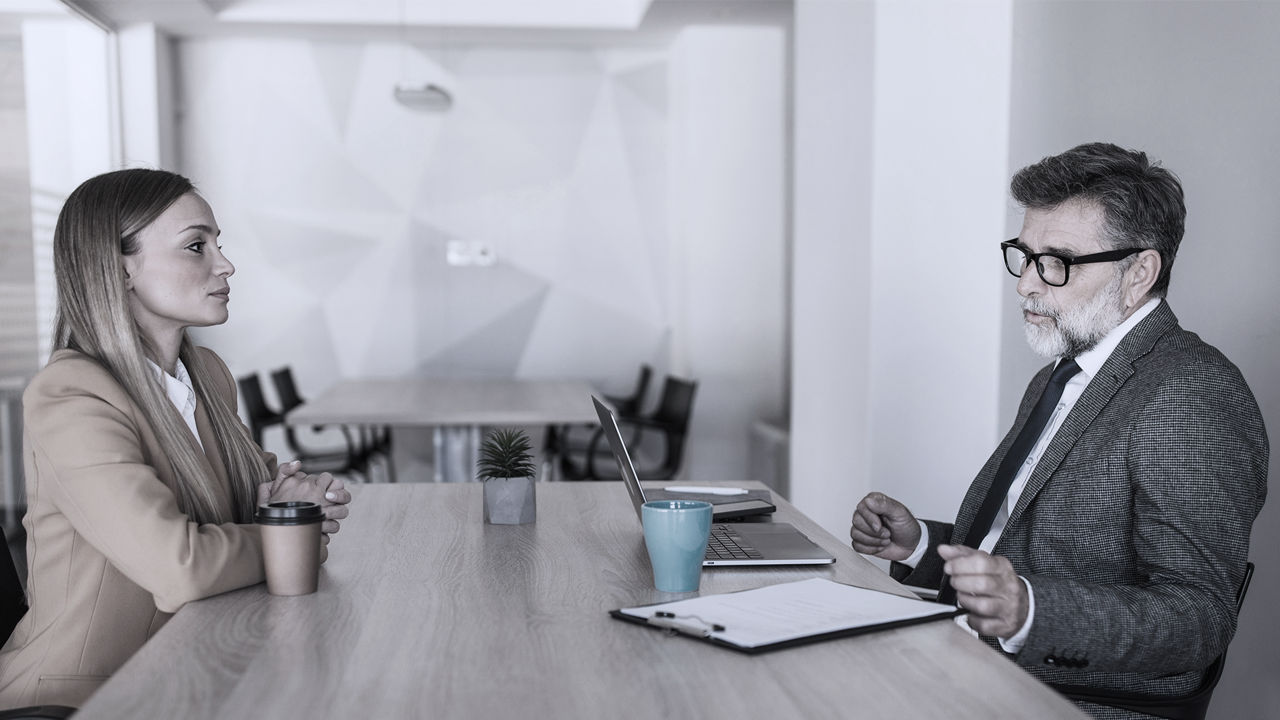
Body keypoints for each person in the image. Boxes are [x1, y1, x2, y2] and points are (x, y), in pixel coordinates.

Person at [849, 143, 1267, 718]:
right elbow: (1024, 546)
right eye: (1024, 256)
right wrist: (920, 544)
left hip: (1060, 699)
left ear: (1139, 272)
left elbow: (1197, 618)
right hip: (966, 658)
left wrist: (1031, 612)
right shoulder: (1064, 370)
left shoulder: (1190, 391)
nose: (1025, 284)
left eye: (1058, 262)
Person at [0, 168, 353, 708]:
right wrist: (289, 532)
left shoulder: (207, 375)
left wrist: (286, 513)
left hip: (204, 660)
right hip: (90, 697)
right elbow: (180, 567)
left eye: (217, 243)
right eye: (196, 246)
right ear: (120, 270)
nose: (226, 264)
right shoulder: (71, 395)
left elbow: (263, 499)